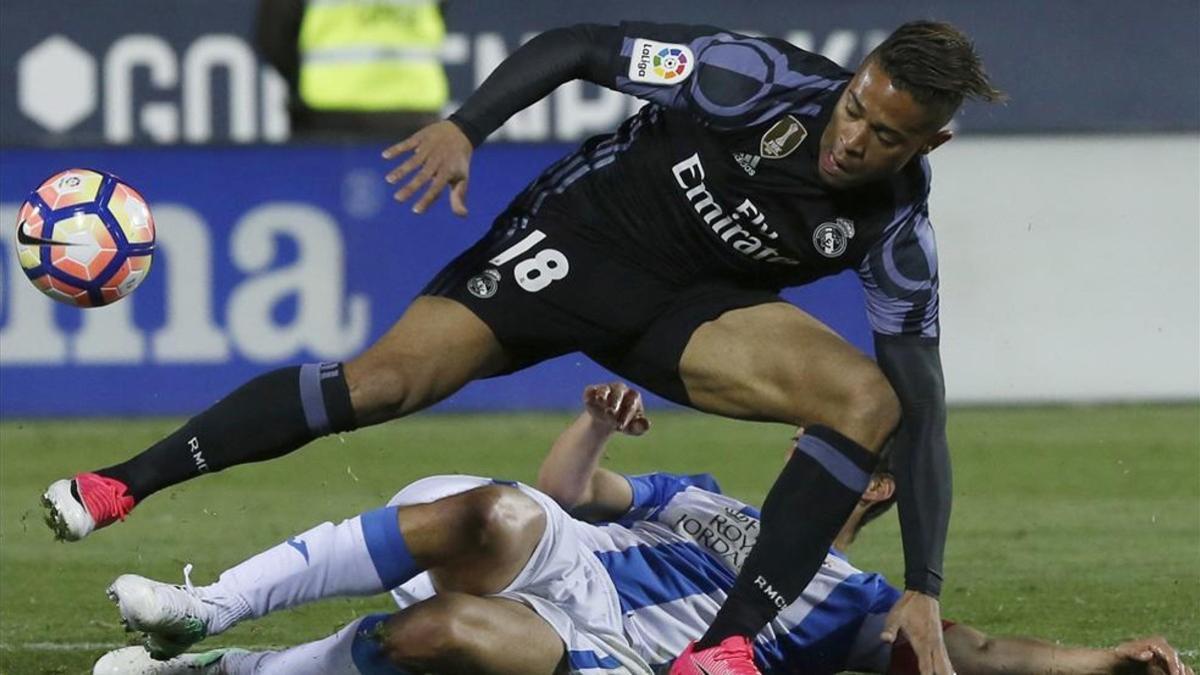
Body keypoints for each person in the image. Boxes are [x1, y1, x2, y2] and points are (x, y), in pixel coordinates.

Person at [45, 20, 1005, 673]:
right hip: (580, 241)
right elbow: (580, 46)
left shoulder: (895, 233)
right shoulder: (750, 76)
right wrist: (467, 126)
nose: (851, 140)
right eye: (853, 109)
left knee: (872, 401)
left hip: (689, 314)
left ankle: (729, 648)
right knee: (381, 382)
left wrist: (922, 588)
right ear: (853, 78)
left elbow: (924, 410)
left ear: (932, 143)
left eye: (883, 137)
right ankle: (124, 482)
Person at [91, 383, 1191, 675]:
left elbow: (978, 650)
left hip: (609, 652)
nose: (808, 441)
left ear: (879, 489)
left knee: (434, 644)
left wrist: (1107, 660)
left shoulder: (851, 602)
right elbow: (569, 494)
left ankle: (230, 669)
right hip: (569, 561)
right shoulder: (713, 501)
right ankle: (204, 607)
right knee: (494, 508)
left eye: (838, 449)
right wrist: (593, 427)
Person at [255, 0, 449, 139]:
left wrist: (305, 81)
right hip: (413, 111)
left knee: (323, 193)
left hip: (328, 112)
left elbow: (273, 37)